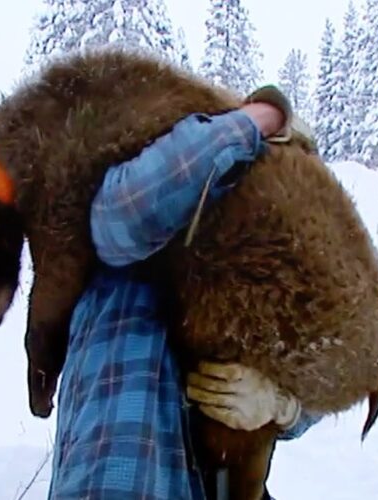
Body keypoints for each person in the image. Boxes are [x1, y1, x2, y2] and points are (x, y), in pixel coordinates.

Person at [46, 87, 322, 499]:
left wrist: (282, 405)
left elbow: (329, 358)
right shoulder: (138, 215)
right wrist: (264, 118)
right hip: (120, 476)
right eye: (268, 164)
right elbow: (123, 216)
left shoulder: (263, 267)